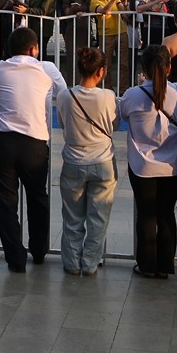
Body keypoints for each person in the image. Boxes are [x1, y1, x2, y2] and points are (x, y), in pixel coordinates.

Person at [0, 27, 67, 272]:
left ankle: (15, 258)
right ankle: (39, 249)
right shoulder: (47, 68)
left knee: (5, 202)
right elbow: (64, 94)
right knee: (37, 198)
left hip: (2, 142)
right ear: (35, 49)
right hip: (34, 143)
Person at [120, 46, 177, 278]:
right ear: (169, 67)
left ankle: (147, 264)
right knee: (166, 213)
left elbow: (124, 114)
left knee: (146, 213)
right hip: (174, 165)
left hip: (143, 165)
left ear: (143, 69)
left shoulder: (133, 94)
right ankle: (165, 264)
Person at [57, 47, 119, 276]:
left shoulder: (65, 96)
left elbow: (63, 124)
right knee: (98, 219)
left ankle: (72, 263)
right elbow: (115, 124)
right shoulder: (108, 96)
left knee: (72, 217)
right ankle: (90, 263)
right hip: (102, 162)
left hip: (73, 161)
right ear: (101, 71)